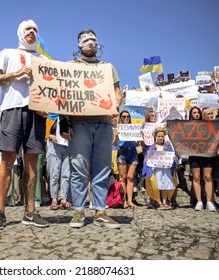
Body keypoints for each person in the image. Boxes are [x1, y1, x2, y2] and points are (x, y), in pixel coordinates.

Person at [0, 19, 49, 229]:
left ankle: (30, 212)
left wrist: (46, 106)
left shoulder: (43, 59)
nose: (31, 32)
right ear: (21, 33)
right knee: (7, 159)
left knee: (32, 162)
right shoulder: (7, 53)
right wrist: (16, 73)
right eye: (28, 29)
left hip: (36, 113)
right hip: (12, 109)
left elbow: (50, 89)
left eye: (35, 30)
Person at [63, 29, 122, 229]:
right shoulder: (70, 67)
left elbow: (116, 91)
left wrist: (116, 106)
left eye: (93, 39)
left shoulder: (107, 67)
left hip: (104, 123)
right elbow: (63, 95)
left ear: (98, 44)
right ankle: (78, 212)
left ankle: (100, 212)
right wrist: (63, 122)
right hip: (78, 123)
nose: (90, 43)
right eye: (85, 40)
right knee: (78, 168)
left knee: (103, 168)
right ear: (79, 45)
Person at [188, 107, 217, 212]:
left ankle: (209, 201)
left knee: (208, 176)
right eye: (194, 112)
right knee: (196, 177)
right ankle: (199, 201)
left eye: (197, 112)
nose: (196, 114)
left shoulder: (207, 124)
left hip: (207, 153)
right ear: (191, 115)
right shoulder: (187, 126)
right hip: (194, 154)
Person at [143, 127, 178, 210]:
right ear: (155, 137)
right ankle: (158, 202)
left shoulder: (167, 147)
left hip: (165, 170)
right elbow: (148, 156)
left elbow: (172, 157)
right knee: (157, 185)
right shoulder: (152, 147)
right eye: (158, 136)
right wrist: (147, 159)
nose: (160, 138)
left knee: (164, 185)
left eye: (162, 136)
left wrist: (172, 158)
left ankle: (165, 201)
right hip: (156, 170)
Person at [46, 113, 71, 210]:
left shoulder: (68, 118)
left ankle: (64, 198)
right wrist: (50, 136)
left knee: (66, 173)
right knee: (54, 173)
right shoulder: (51, 117)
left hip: (67, 147)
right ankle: (54, 198)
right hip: (55, 147)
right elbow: (45, 133)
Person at [117, 111, 138, 209]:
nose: (126, 118)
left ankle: (130, 201)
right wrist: (115, 135)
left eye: (128, 116)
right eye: (123, 116)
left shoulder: (133, 128)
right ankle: (123, 200)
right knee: (122, 178)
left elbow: (137, 143)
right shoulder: (118, 128)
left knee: (130, 177)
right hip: (122, 151)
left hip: (132, 151)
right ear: (120, 118)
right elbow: (113, 143)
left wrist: (140, 136)